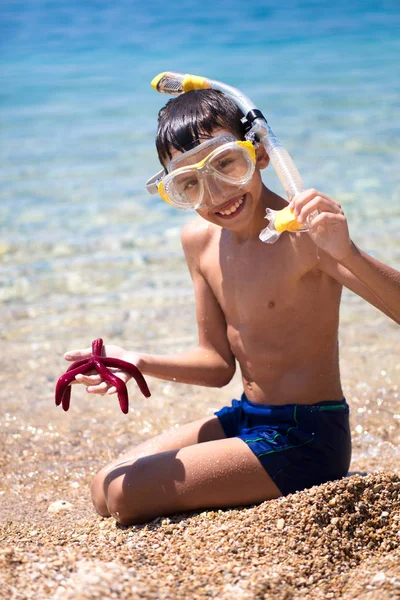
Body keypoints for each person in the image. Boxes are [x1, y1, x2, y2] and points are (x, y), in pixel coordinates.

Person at [64, 89, 400, 526]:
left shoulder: (306, 239)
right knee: (104, 487)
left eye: (226, 164)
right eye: (189, 183)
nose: (216, 192)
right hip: (245, 415)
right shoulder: (199, 242)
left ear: (257, 154)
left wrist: (348, 252)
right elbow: (217, 364)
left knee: (125, 496)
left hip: (308, 435)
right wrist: (141, 360)